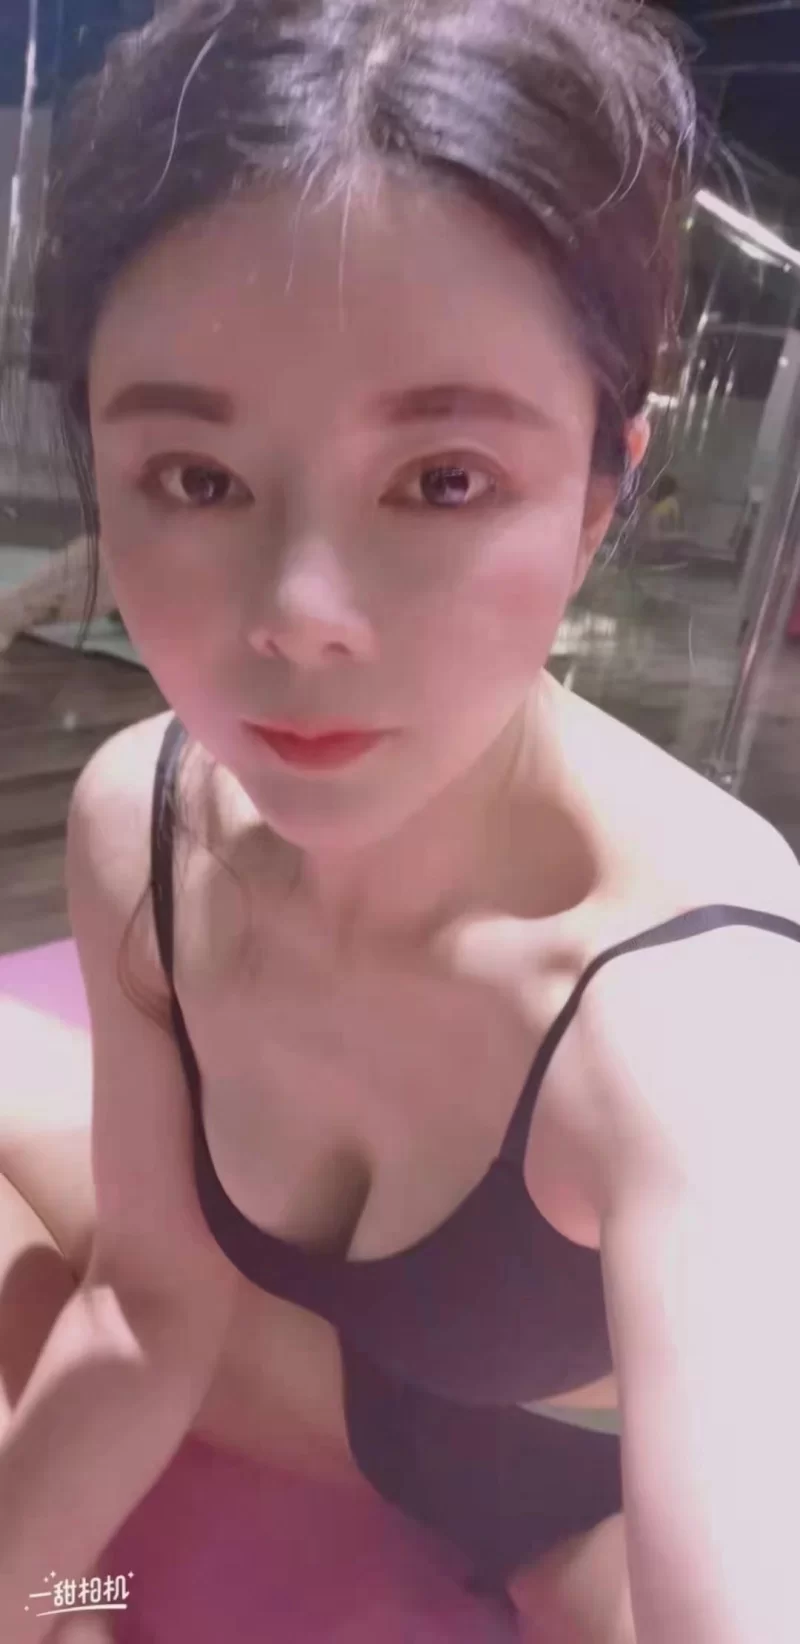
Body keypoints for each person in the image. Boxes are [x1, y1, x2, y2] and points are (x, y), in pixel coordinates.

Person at [1, 2, 799, 1640]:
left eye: (443, 480)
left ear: (604, 488)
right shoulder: (144, 820)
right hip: (336, 1389)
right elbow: (150, 1313)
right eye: (197, 478)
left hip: (577, 1513)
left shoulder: (697, 1020)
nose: (300, 617)